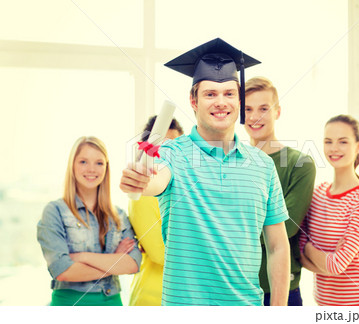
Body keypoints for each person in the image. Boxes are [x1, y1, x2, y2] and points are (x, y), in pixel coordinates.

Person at [120, 38, 290, 306]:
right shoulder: (171, 154)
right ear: (193, 100)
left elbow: (278, 246)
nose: (220, 102)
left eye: (229, 93)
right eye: (210, 94)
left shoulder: (263, 166)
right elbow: (156, 179)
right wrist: (140, 180)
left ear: (239, 99)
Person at [37, 136, 141, 306]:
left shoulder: (119, 216)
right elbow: (62, 270)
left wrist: (82, 257)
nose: (91, 169)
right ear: (73, 165)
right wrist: (115, 260)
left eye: (99, 163)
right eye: (83, 161)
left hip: (111, 304)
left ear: (106, 168)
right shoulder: (55, 211)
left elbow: (132, 264)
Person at [244, 76, 316, 306]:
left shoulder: (300, 164)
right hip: (235, 287)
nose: (255, 117)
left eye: (264, 109)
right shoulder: (229, 162)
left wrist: (232, 236)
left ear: (278, 111)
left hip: (279, 290)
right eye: (248, 109)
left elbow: (286, 227)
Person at [299, 115, 359, 306]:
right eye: (328, 142)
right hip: (323, 304)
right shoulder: (316, 193)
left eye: (343, 142)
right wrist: (327, 261)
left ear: (358, 145)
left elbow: (335, 265)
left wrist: (310, 249)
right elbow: (299, 254)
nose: (334, 148)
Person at [128, 116, 184, 306]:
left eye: (175, 146)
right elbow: (160, 254)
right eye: (162, 147)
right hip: (154, 298)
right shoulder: (143, 194)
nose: (169, 154)